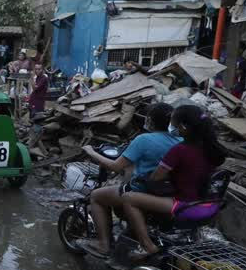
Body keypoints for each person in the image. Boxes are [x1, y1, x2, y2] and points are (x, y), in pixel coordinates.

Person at [121, 105, 226, 257]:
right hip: (210, 206)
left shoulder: (180, 150)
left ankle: (147, 245)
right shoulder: (213, 149)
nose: (172, 127)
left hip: (185, 205)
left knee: (128, 198)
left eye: (173, 123)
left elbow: (156, 178)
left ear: (183, 127)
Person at [76, 103, 178, 256]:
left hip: (144, 191)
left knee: (96, 196)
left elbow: (116, 167)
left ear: (150, 120)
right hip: (167, 192)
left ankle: (103, 244)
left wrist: (91, 152)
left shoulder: (143, 140)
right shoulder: (180, 140)